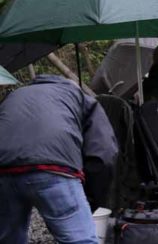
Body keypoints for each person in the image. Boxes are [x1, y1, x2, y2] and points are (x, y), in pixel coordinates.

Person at [0, 74, 118, 244]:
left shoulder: (15, 95)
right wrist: (92, 200)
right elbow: (104, 153)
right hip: (54, 170)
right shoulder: (81, 97)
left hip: (4, 170)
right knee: (81, 240)